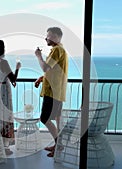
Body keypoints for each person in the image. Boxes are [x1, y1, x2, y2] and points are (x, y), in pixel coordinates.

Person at [34, 27, 68, 157]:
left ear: (54, 37)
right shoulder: (61, 50)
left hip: (52, 93)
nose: (46, 38)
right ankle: (57, 144)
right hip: (57, 91)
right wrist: (42, 78)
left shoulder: (56, 50)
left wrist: (38, 56)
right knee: (55, 119)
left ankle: (58, 144)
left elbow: (46, 67)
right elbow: (55, 71)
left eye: (48, 36)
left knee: (45, 119)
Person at [0, 39, 21, 155]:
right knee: (5, 117)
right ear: (1, 49)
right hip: (4, 93)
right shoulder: (3, 62)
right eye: (4, 46)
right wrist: (17, 68)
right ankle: (4, 147)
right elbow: (13, 78)